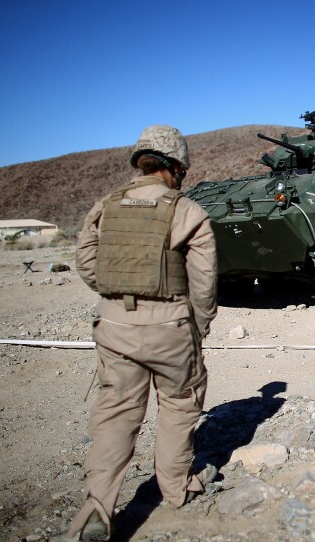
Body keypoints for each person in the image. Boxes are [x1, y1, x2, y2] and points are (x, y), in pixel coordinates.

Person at [67, 125, 218, 541]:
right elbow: (204, 282)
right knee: (180, 405)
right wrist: (197, 328)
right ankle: (175, 488)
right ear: (173, 167)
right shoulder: (187, 211)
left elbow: (85, 260)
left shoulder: (106, 205)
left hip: (114, 325)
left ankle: (98, 506)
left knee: (116, 414)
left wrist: (116, 296)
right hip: (170, 325)